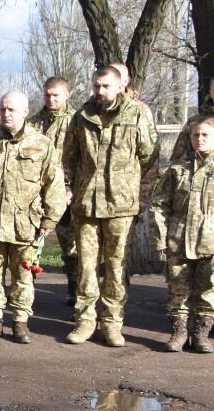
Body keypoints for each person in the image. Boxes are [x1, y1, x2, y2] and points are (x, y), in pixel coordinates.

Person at [63, 66, 159, 346]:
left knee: (117, 268)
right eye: (96, 86)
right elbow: (68, 158)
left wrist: (142, 198)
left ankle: (112, 323)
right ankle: (85, 321)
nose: (100, 91)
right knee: (86, 267)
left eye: (105, 86)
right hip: (88, 206)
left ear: (119, 87)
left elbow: (150, 159)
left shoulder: (137, 114)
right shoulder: (81, 117)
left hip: (121, 206)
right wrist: (70, 189)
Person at [0, 91, 65, 343]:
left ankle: (20, 322)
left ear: (25, 112)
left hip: (26, 225)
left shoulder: (41, 144)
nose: (6, 114)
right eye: (3, 109)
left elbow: (54, 185)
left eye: (12, 110)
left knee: (23, 275)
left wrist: (49, 220)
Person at [156, 117, 214, 352]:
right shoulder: (177, 170)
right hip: (178, 241)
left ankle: (201, 334)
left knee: (208, 291)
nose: (199, 139)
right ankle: (179, 332)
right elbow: (159, 205)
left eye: (205, 135)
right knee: (177, 291)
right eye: (195, 135)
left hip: (210, 242)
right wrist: (160, 238)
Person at [30, 76, 77, 305]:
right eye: (47, 95)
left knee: (71, 246)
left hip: (67, 193)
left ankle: (75, 287)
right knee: (31, 243)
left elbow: (83, 160)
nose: (51, 99)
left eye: (55, 95)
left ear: (66, 95)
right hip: (37, 194)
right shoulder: (33, 123)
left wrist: (71, 189)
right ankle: (25, 289)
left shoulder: (76, 122)